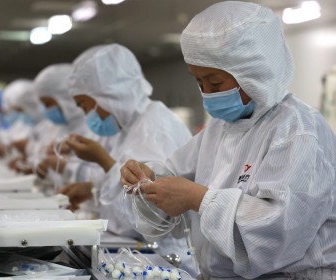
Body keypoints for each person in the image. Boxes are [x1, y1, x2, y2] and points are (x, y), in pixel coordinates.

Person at [120, 1, 336, 279]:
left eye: (215, 83)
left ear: (255, 73)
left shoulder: (298, 130)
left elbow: (278, 234)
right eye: (199, 83)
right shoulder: (220, 128)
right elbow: (174, 171)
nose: (207, 93)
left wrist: (197, 198)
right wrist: (148, 177)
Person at [61, 43, 196, 273]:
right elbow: (122, 202)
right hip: (144, 258)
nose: (88, 117)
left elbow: (151, 217)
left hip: (164, 263)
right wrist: (92, 188)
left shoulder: (154, 129)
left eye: (87, 107)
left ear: (110, 95)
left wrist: (103, 161)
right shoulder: (129, 127)